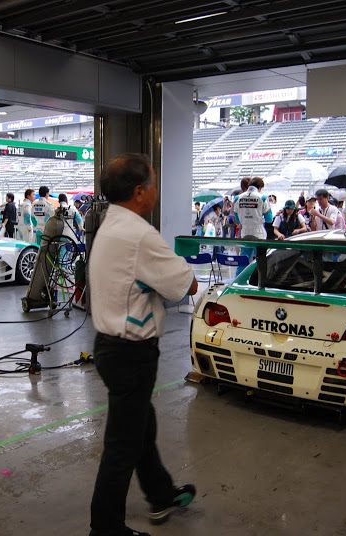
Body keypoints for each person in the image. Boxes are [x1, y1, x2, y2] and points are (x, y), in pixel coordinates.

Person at [88, 153, 197, 536]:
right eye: (153, 184)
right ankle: (105, 529)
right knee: (122, 445)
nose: (156, 190)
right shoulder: (140, 235)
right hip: (130, 352)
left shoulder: (111, 224)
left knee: (139, 427)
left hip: (109, 346)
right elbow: (187, 285)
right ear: (139, 193)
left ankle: (161, 493)